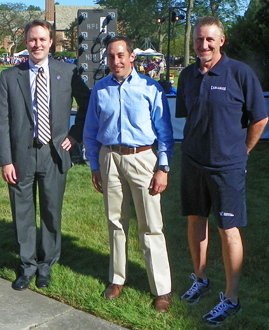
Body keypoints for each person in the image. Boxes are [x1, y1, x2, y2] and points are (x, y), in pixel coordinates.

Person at [176, 16, 268, 327]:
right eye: (199, 40)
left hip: (227, 167)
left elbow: (260, 119)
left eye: (209, 40)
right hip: (192, 163)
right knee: (195, 220)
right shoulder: (187, 75)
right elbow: (189, 116)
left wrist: (243, 151)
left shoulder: (239, 73)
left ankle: (231, 298)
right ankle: (200, 279)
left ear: (221, 41)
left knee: (228, 231)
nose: (203, 45)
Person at [0, 19, 90, 291]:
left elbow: (88, 103)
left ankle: (46, 264)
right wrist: (6, 160)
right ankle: (27, 266)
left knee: (51, 211)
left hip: (54, 154)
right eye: (32, 40)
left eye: (42, 39)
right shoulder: (9, 76)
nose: (37, 44)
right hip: (21, 156)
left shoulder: (67, 71)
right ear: (26, 43)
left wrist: (75, 136)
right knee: (22, 213)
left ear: (51, 42)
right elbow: (2, 121)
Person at [83, 36, 174, 313]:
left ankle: (161, 289)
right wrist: (95, 166)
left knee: (151, 226)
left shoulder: (150, 88)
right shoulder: (100, 90)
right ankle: (117, 279)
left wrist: (163, 167)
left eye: (121, 56)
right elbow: (90, 131)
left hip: (143, 159)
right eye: (111, 57)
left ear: (131, 57)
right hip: (109, 158)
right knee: (116, 222)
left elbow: (165, 132)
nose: (116, 62)